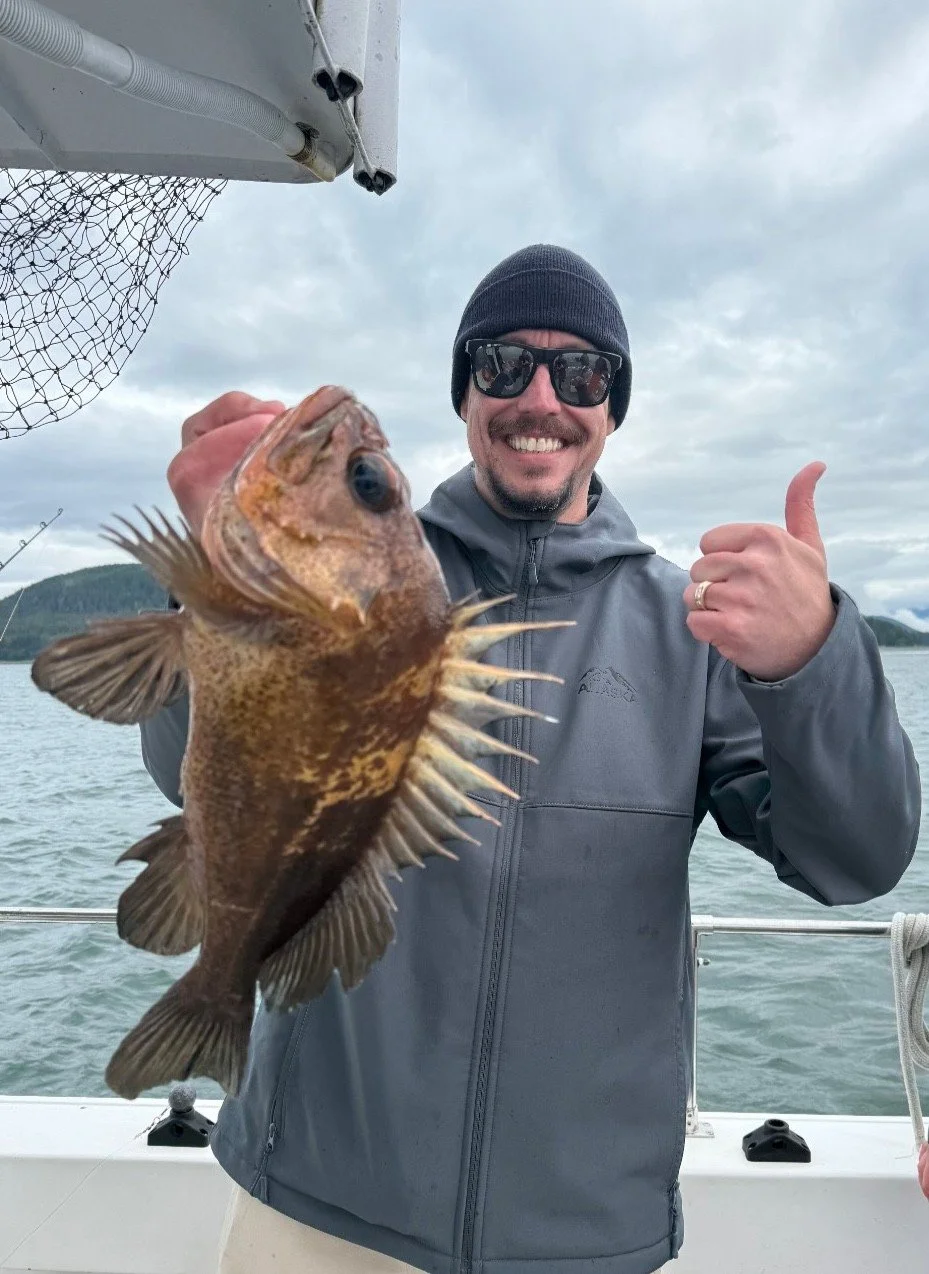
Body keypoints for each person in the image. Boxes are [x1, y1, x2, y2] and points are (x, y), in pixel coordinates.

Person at [139, 244, 921, 1274]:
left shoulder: (689, 631)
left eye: (582, 372)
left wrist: (810, 657)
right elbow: (186, 763)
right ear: (466, 392)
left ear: (612, 405)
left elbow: (854, 859)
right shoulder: (349, 564)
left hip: (581, 1231)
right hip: (319, 1195)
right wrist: (215, 566)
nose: (540, 396)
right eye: (503, 363)